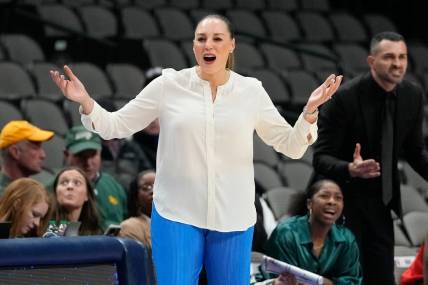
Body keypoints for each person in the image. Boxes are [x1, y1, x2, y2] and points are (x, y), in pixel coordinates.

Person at [50, 14, 342, 285]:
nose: (208, 45)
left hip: (233, 217)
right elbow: (116, 125)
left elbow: (290, 146)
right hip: (177, 214)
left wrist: (309, 112)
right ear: (194, 45)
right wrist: (86, 102)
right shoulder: (168, 85)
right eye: (201, 38)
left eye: (217, 38)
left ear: (231, 45)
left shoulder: (251, 91)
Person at [311, 31, 428, 285]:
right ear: (372, 61)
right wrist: (350, 169)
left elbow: (415, 151)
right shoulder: (344, 98)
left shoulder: (412, 96)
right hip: (343, 203)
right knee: (347, 278)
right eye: (389, 57)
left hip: (382, 204)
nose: (397, 64)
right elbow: (320, 158)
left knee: (383, 278)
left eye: (402, 57)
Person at [264, 180, 362, 285]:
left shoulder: (346, 238)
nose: (332, 202)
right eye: (324, 196)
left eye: (338, 198)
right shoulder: (286, 233)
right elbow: (282, 279)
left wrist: (324, 282)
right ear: (309, 204)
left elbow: (352, 281)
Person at [63, 125, 127, 230]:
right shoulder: (55, 189)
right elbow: (51, 234)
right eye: (81, 156)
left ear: (100, 152)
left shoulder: (114, 186)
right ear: (66, 155)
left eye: (92, 155)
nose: (88, 163)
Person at [0, 120, 54, 194]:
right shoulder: (4, 197)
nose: (43, 155)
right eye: (35, 148)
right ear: (15, 152)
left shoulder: (35, 193)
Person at [52, 166, 102, 235]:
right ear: (56, 192)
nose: (70, 186)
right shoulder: (48, 227)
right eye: (64, 183)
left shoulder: (95, 231)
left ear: (86, 195)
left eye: (77, 183)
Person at [118, 169, 154, 248]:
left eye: (158, 186)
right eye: (146, 187)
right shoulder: (129, 227)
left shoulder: (179, 224)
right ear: (136, 198)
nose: (153, 190)